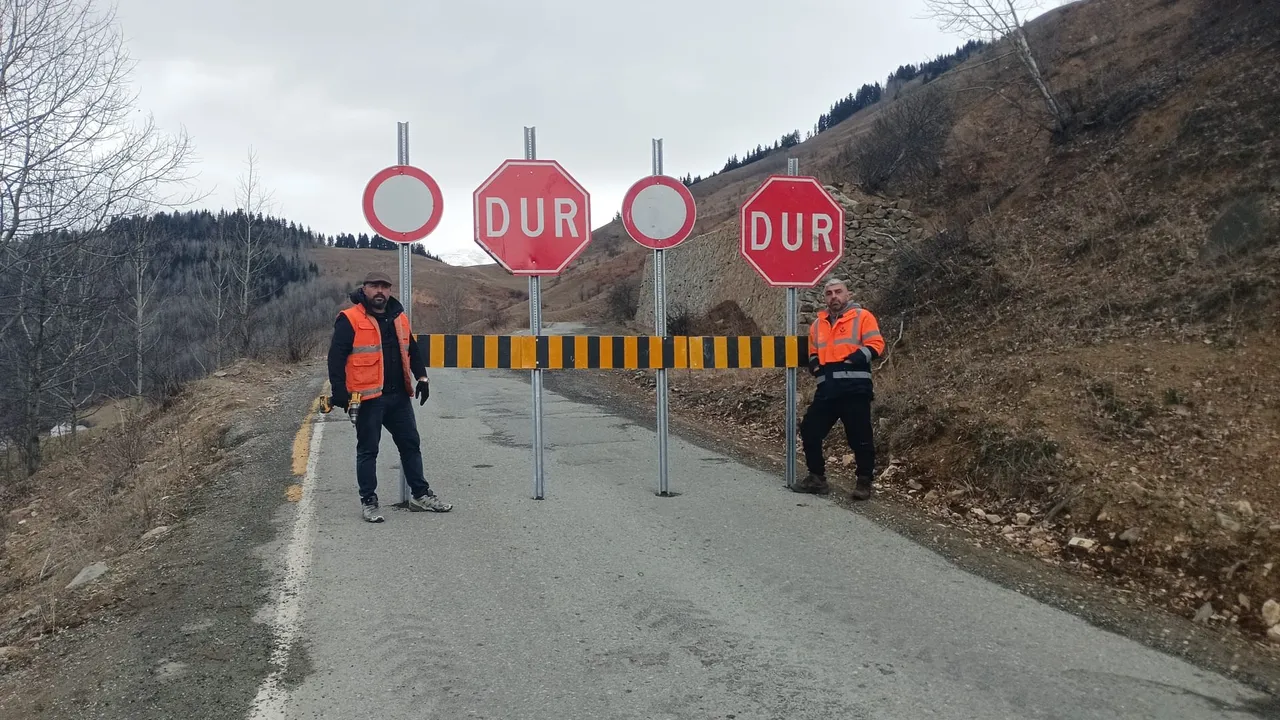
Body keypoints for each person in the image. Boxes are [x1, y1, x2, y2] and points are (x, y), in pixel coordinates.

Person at [327, 270, 452, 522]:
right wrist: (339, 390)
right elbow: (336, 356)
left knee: (411, 445)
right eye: (374, 286)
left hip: (398, 398)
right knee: (368, 451)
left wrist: (422, 377)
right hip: (368, 398)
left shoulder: (399, 317)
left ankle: (420, 495)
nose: (380, 291)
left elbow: (412, 349)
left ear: (390, 290)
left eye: (384, 287)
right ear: (364, 289)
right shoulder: (349, 319)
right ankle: (369, 502)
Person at [795, 277, 886, 500]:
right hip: (827, 390)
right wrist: (815, 365)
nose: (834, 296)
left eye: (838, 292)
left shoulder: (862, 316)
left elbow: (876, 345)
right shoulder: (818, 324)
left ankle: (864, 482)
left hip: (855, 389)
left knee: (860, 437)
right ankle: (817, 478)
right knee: (810, 429)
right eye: (829, 293)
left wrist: (854, 359)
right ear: (824, 298)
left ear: (848, 294)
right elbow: (813, 351)